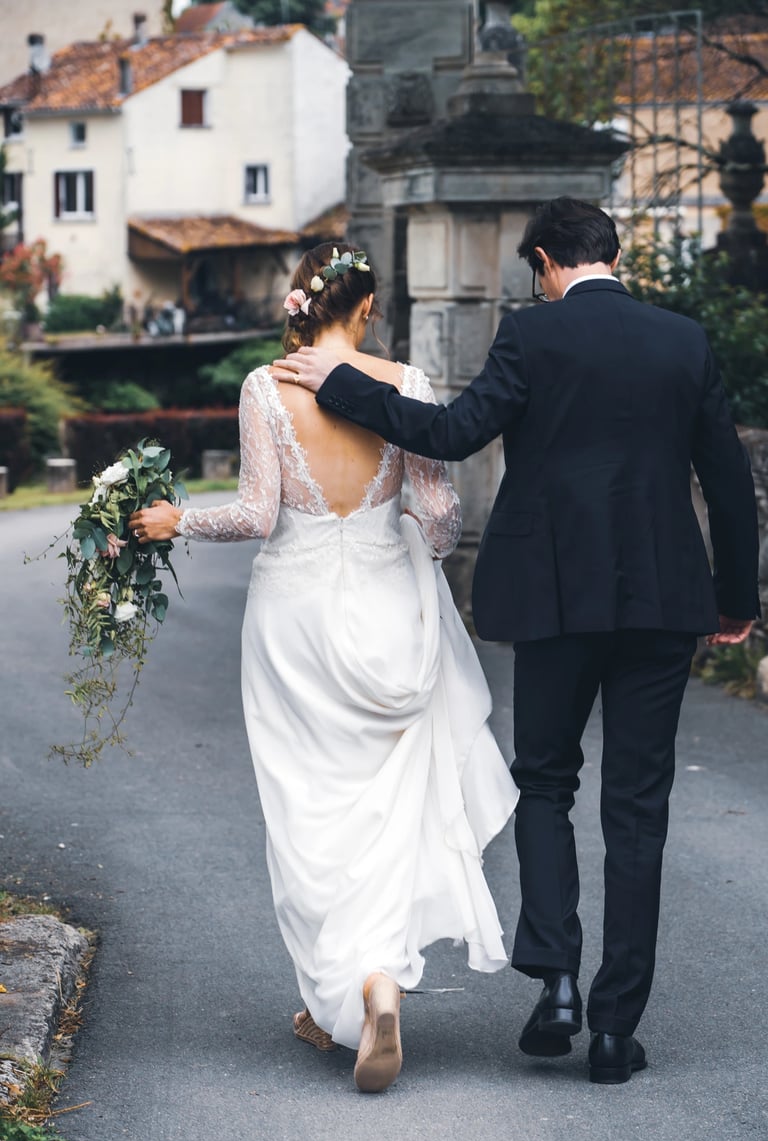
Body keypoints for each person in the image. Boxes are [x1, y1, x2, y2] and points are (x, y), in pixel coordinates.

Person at [272, 198, 761, 1084]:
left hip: (555, 598)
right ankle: (614, 1029)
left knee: (546, 781)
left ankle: (557, 982)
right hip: (662, 601)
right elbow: (727, 479)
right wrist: (735, 600)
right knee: (638, 809)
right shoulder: (682, 341)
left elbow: (451, 434)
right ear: (612, 255)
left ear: (543, 262)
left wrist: (339, 381)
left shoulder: (531, 337)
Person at [129, 242, 519, 1093]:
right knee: (387, 811)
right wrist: (409, 536)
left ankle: (341, 995)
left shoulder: (266, 386)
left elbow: (258, 514)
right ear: (367, 307)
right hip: (387, 611)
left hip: (294, 620)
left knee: (308, 811)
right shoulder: (406, 384)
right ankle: (377, 983)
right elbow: (441, 517)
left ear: (303, 301)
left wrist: (175, 520)